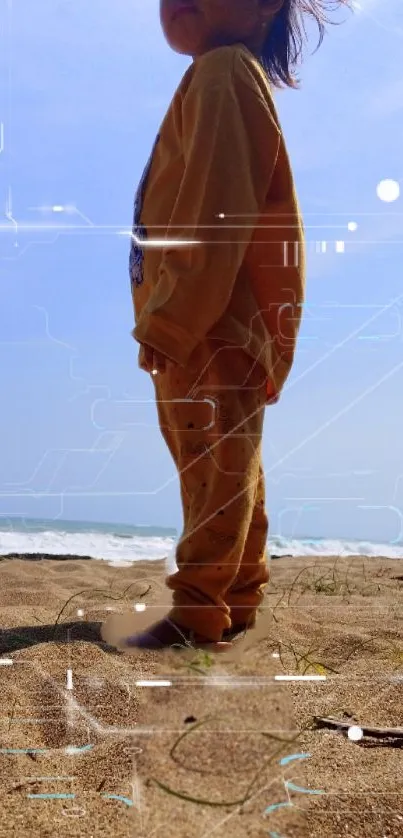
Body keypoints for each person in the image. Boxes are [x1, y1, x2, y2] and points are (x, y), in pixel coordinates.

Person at [122, 0, 352, 651]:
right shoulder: (218, 74)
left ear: (262, 6)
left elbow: (219, 205)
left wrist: (174, 317)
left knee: (211, 465)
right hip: (214, 318)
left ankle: (198, 611)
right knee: (226, 463)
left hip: (208, 318)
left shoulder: (224, 70)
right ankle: (239, 595)